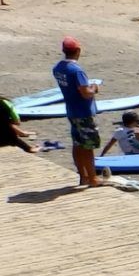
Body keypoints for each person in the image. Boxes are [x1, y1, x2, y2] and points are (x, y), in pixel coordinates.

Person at [51, 36, 104, 188]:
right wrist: (94, 88)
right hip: (83, 111)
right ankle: (93, 178)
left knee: (77, 144)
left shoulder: (58, 68)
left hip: (71, 110)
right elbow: (85, 92)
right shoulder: (76, 70)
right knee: (88, 146)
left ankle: (83, 176)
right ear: (78, 51)